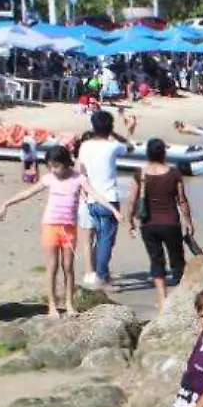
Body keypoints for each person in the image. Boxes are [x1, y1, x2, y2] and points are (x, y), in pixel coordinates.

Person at [0, 144, 123, 318]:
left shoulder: (78, 178)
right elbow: (28, 193)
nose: (54, 170)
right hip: (51, 226)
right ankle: (52, 306)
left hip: (69, 228)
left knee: (68, 267)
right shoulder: (49, 178)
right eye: (50, 166)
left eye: (56, 166)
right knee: (52, 267)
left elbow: (95, 194)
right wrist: (7, 204)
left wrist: (114, 210)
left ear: (66, 163)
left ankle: (69, 304)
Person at [126, 138, 197, 315]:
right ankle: (179, 296)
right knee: (177, 260)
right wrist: (188, 221)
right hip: (171, 223)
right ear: (164, 153)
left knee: (156, 260)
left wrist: (130, 222)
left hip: (148, 224)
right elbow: (182, 200)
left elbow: (132, 200)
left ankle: (162, 299)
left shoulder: (140, 174)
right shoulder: (174, 174)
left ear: (148, 153)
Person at [77, 110, 128, 289]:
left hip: (91, 198)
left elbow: (80, 169)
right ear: (110, 127)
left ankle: (100, 273)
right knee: (106, 240)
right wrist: (113, 134)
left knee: (100, 238)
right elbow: (128, 146)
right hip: (109, 198)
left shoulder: (85, 146)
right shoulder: (112, 146)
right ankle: (102, 277)